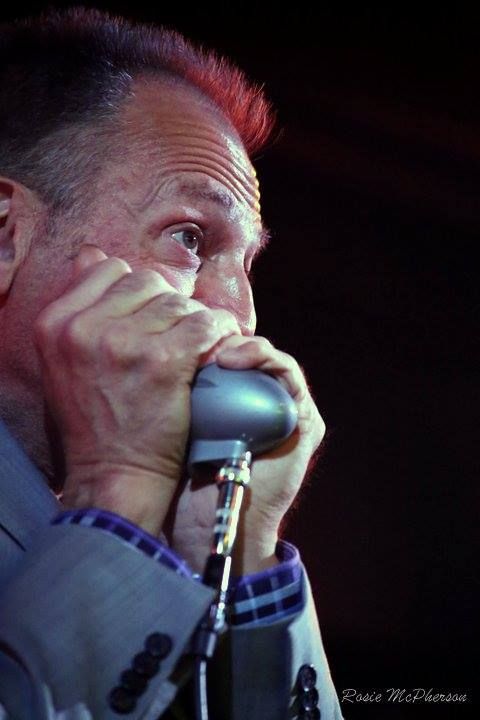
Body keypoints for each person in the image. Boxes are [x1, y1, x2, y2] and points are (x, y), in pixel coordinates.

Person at [0, 8, 342, 719]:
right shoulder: (122, 511)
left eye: (246, 265)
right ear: (6, 238)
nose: (241, 315)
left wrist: (241, 556)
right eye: (190, 237)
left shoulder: (172, 551)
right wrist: (114, 491)